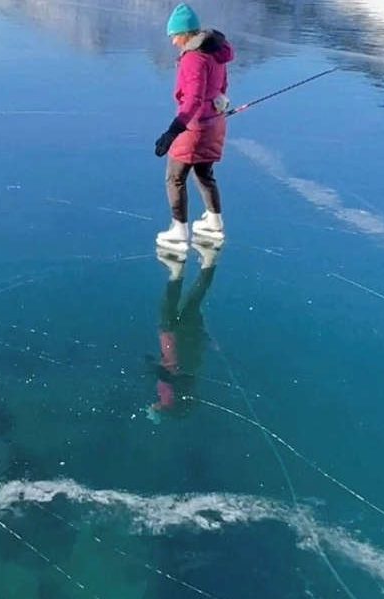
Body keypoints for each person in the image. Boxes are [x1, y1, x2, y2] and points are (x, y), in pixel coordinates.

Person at [154, 3, 235, 249]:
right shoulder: (216, 53)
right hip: (215, 123)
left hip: (195, 128)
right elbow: (221, 88)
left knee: (175, 177)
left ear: (186, 34)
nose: (173, 42)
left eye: (175, 36)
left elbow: (193, 100)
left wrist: (173, 131)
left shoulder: (193, 59)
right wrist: (217, 106)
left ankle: (178, 230)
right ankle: (214, 221)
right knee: (203, 172)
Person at [147, 241, 221, 423]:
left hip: (183, 340)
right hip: (173, 342)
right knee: (176, 307)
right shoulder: (168, 400)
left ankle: (205, 263)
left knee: (189, 303)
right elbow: (168, 374)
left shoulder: (184, 388)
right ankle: (183, 269)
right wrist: (150, 366)